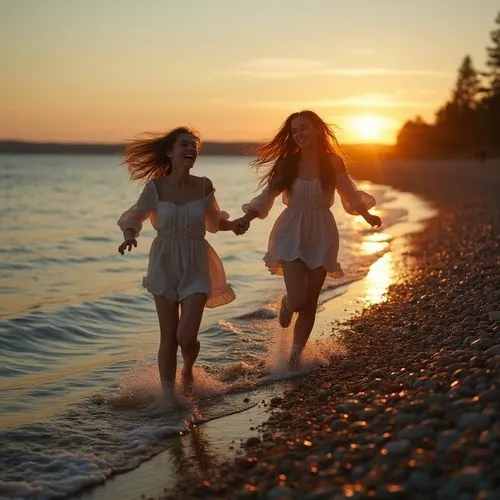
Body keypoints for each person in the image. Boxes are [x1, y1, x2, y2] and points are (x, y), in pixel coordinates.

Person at [238, 110, 382, 369]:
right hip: (291, 232)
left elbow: (348, 193)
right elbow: (267, 195)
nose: (299, 135)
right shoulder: (287, 164)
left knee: (311, 302)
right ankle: (286, 302)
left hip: (322, 232)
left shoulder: (333, 162)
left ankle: (294, 357)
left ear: (317, 129)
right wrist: (247, 218)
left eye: (303, 128)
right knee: (299, 299)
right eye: (294, 131)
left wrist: (367, 215)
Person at [117, 127, 248, 404]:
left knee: (186, 336)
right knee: (168, 334)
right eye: (184, 145)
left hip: (197, 260)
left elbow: (214, 222)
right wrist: (129, 235)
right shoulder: (155, 187)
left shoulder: (204, 185)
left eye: (194, 145)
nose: (191, 149)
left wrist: (233, 224)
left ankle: (188, 368)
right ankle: (168, 398)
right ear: (170, 153)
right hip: (164, 261)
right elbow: (135, 217)